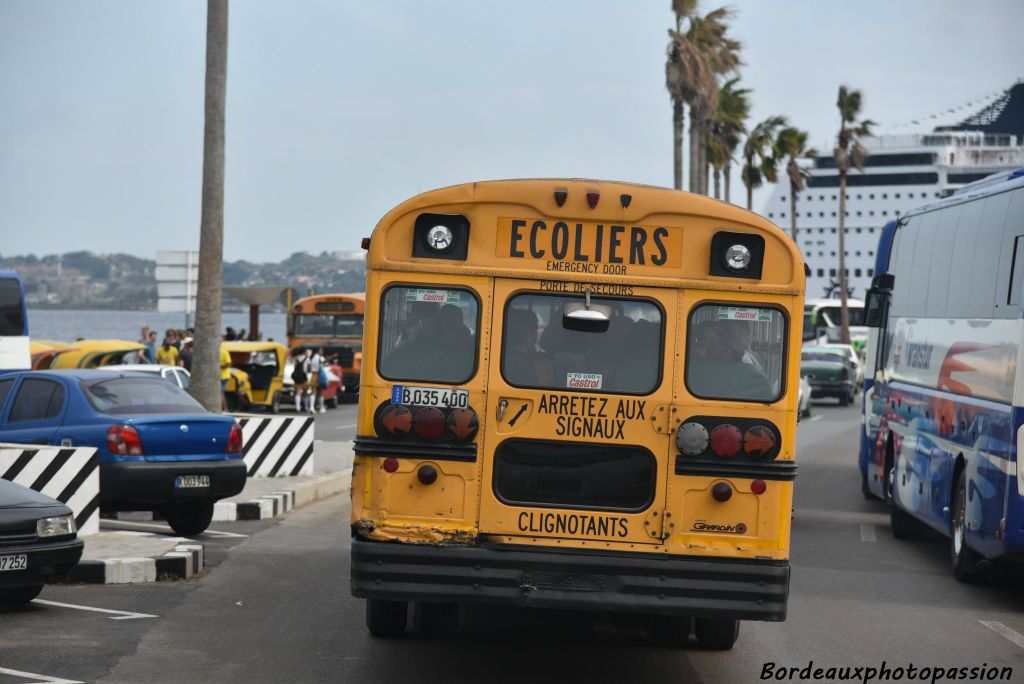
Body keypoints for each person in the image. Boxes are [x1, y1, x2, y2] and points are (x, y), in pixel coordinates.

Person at [309, 348, 327, 413]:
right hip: (319, 375)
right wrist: (332, 357)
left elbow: (309, 367)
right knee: (320, 393)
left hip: (313, 375)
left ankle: (311, 407)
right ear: (318, 351)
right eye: (321, 351)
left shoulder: (312, 357)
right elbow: (324, 363)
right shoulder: (321, 358)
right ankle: (321, 407)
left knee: (313, 392)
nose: (322, 352)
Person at [220, 337, 232, 411]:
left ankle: (223, 408)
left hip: (223, 376)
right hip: (219, 376)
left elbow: (229, 363)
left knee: (220, 392)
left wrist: (218, 366)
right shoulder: (216, 351)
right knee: (221, 392)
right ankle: (224, 408)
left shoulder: (224, 351)